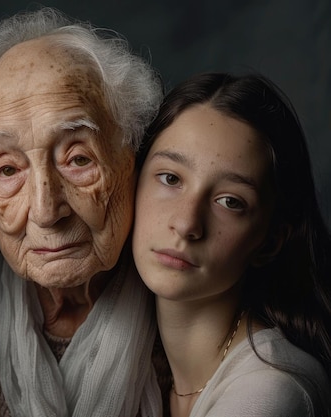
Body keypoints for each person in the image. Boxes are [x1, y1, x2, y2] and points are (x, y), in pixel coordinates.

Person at [0, 7, 164, 416]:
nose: (46, 211)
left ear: (133, 157)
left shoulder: (194, 294)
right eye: (8, 169)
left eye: (78, 159)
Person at [132, 72, 331, 417]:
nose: (187, 223)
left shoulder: (272, 391)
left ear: (268, 241)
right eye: (171, 178)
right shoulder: (139, 369)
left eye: (230, 201)